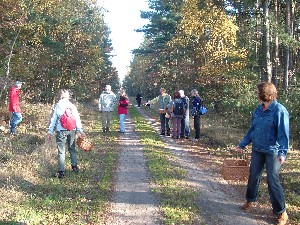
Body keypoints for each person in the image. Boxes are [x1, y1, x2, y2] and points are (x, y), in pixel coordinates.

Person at [236, 82, 289, 225]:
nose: (256, 93)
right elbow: (252, 129)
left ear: (264, 93)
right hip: (257, 149)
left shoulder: (279, 111)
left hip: (273, 151)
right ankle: (250, 200)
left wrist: (282, 153)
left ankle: (281, 212)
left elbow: (283, 134)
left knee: (273, 180)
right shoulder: (258, 110)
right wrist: (243, 143)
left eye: (257, 91)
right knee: (253, 176)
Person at [48, 89, 85, 179]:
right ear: (68, 96)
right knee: (72, 148)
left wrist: (50, 131)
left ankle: (61, 171)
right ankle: (74, 167)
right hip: (72, 129)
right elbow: (77, 118)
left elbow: (53, 119)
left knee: (61, 151)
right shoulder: (72, 105)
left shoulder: (57, 105)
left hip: (61, 130)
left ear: (60, 96)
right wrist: (80, 130)